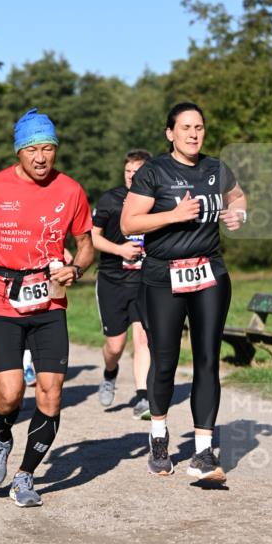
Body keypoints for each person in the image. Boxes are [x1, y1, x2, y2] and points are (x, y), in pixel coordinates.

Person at [0, 108, 94, 508]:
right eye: (33, 149)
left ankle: (25, 476)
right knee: (10, 392)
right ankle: (1, 436)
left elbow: (86, 244)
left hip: (50, 300)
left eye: (48, 148)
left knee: (51, 395)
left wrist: (75, 267)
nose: (41, 157)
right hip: (2, 300)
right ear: (18, 151)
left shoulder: (70, 190)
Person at [121, 102, 246, 480]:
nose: (194, 134)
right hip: (163, 276)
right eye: (186, 127)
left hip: (209, 271)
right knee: (165, 359)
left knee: (208, 358)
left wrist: (239, 215)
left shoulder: (216, 169)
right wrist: (173, 216)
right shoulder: (153, 172)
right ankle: (158, 434)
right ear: (170, 133)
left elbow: (238, 197)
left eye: (200, 127)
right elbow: (129, 223)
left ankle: (204, 450)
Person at [92, 149, 152, 418]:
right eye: (127, 172)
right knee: (115, 346)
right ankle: (110, 373)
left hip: (144, 281)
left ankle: (143, 396)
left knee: (142, 339)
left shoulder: (158, 201)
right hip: (111, 280)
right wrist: (120, 250)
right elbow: (93, 238)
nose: (131, 176)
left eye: (136, 172)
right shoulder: (110, 200)